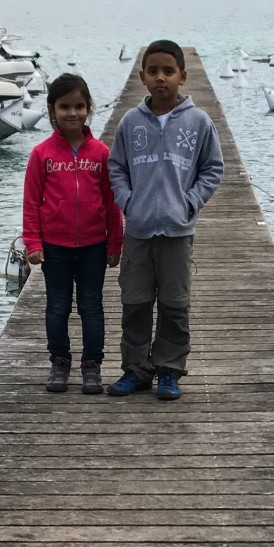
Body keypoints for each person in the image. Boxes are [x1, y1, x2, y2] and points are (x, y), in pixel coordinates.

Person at [106, 40, 224, 402]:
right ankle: (136, 369)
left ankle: (170, 369)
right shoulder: (130, 122)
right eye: (153, 71)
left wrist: (190, 203)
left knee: (175, 304)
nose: (161, 78)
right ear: (142, 77)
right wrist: (129, 202)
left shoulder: (198, 122)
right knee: (135, 302)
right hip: (139, 231)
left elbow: (213, 169)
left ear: (182, 77)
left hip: (177, 230)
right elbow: (116, 168)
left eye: (168, 71)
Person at [21, 72, 123, 394]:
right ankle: (59, 362)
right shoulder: (42, 154)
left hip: (94, 245)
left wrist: (115, 241)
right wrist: (33, 242)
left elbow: (111, 202)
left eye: (79, 106)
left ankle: (92, 365)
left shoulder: (100, 153)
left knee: (92, 306)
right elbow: (31, 202)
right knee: (57, 306)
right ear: (52, 110)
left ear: (88, 108)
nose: (73, 113)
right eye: (65, 106)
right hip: (55, 247)